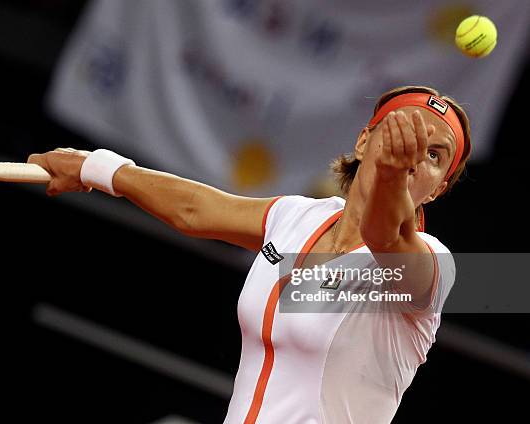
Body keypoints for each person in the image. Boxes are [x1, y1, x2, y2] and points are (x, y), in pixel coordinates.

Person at [28, 85, 471, 423]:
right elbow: (195, 210)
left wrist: (394, 172)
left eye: (434, 155)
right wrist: (97, 167)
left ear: (437, 189)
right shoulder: (297, 217)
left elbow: (385, 236)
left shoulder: (429, 267)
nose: (413, 155)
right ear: (363, 142)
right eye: (403, 133)